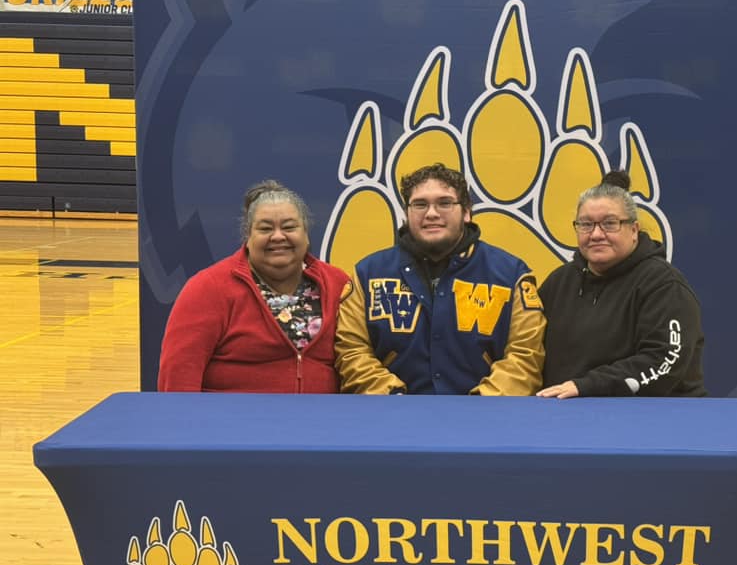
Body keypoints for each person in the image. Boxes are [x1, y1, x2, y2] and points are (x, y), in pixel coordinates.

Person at [335, 163, 545, 395]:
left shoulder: (510, 274)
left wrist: (483, 405)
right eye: (420, 204)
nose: (431, 213)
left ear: (466, 212)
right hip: (390, 416)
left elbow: (525, 355)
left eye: (444, 203)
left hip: (486, 419)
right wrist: (390, 398)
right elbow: (352, 350)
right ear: (407, 213)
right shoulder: (368, 274)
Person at [158, 180, 350, 392]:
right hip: (228, 423)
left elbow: (357, 357)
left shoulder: (337, 284)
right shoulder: (208, 288)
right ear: (248, 237)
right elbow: (179, 375)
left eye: (289, 227)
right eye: (265, 228)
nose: (278, 236)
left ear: (306, 235)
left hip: (323, 421)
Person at [537, 170, 705, 398]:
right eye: (586, 224)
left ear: (634, 230)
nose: (596, 234)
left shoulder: (664, 285)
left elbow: (665, 361)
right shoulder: (559, 283)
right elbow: (529, 351)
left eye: (610, 223)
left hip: (654, 420)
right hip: (568, 417)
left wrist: (586, 386)